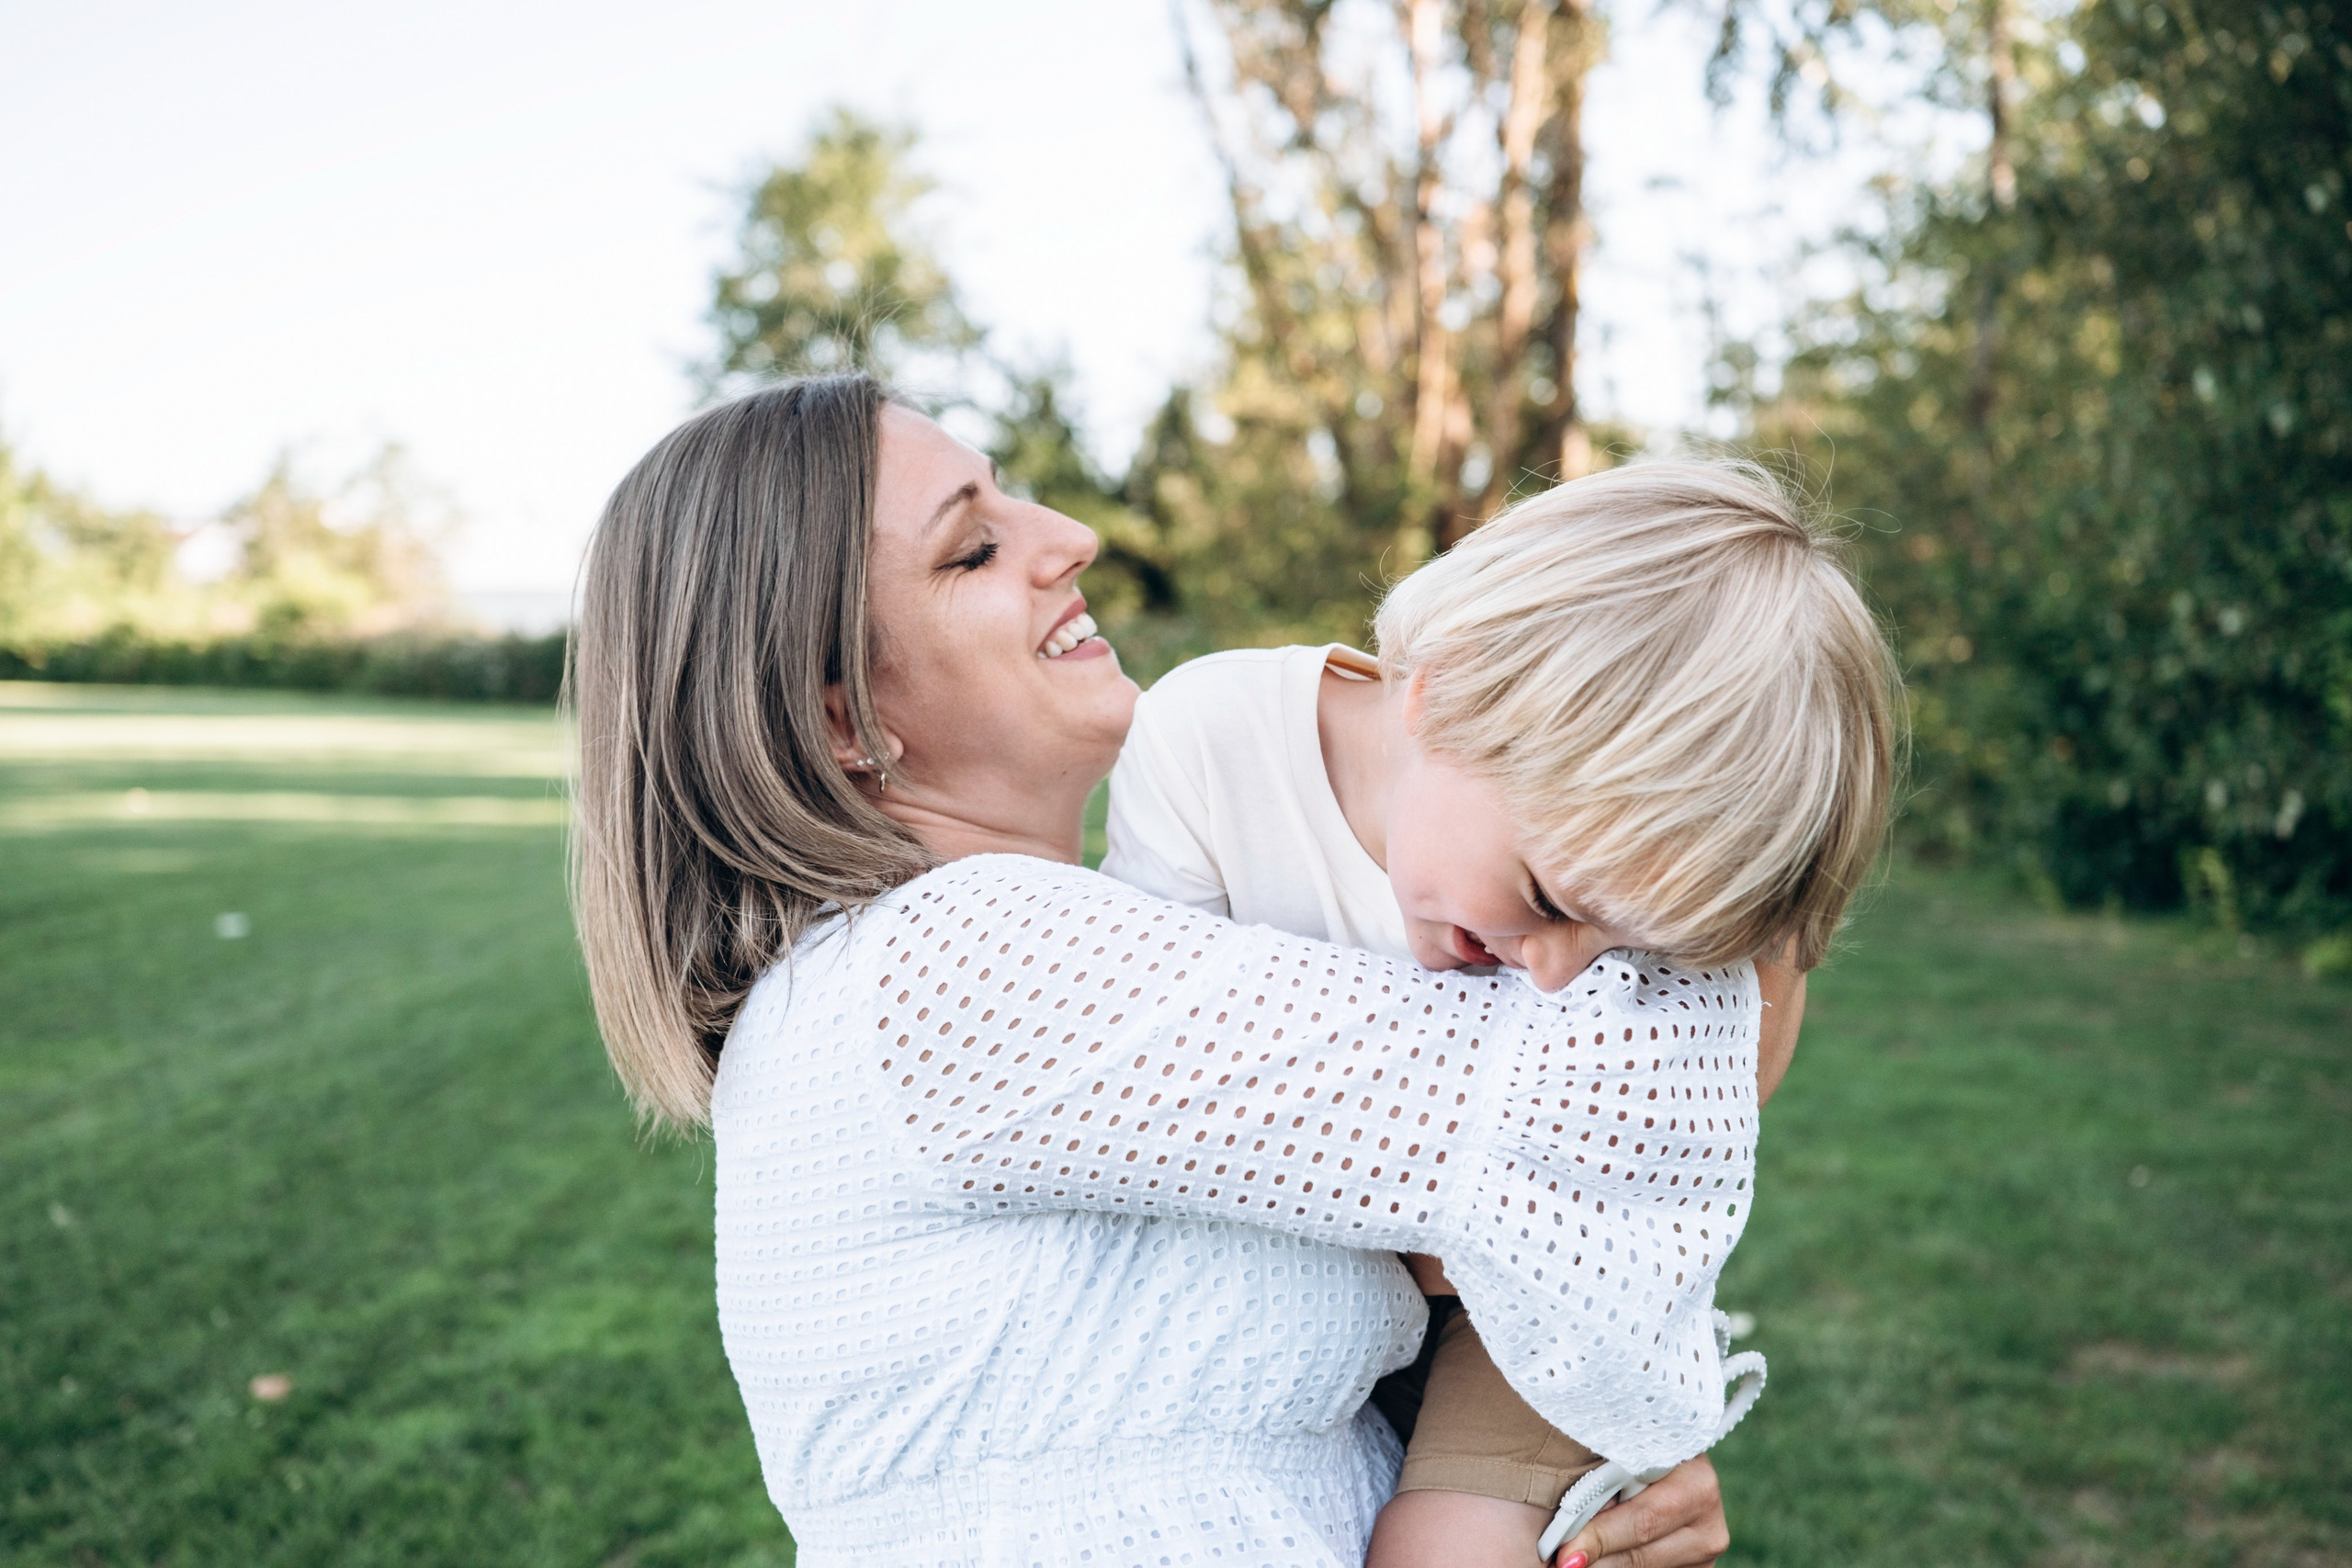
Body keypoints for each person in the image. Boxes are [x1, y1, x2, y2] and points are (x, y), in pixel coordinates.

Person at [569, 374, 1789, 1568]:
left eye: (1013, 500)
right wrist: (1697, 795)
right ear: (844, 722)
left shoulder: (1053, 981)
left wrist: (1558, 1487)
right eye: (972, 550)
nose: (1071, 538)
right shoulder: (941, 967)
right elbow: (1614, 1094)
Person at [1102, 459, 1900, 1567]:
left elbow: (1693, 1124)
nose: (1562, 976)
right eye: (1547, 901)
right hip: (1266, 1273)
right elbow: (1153, 1091)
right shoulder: (1212, 742)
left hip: (1542, 1282)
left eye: (1632, 949)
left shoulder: (1647, 889)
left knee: (1454, 1542)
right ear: (1443, 695)